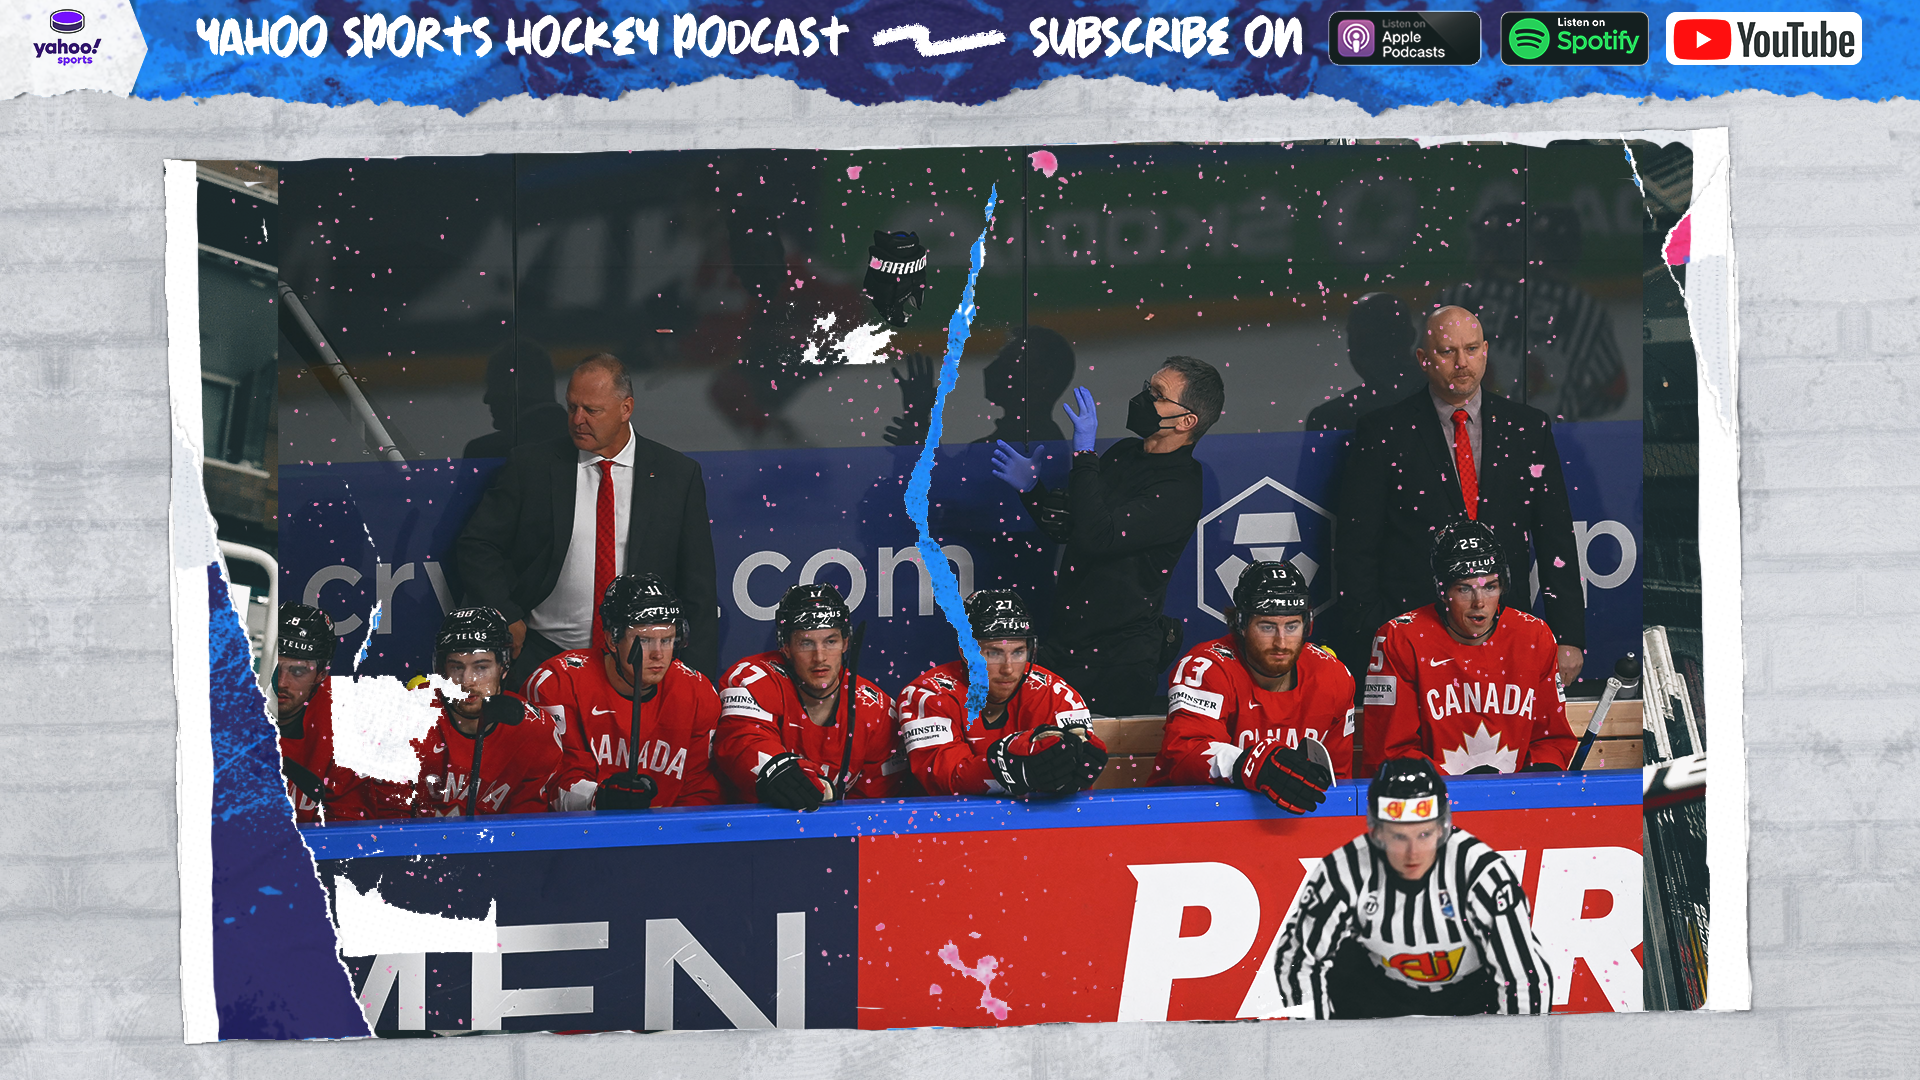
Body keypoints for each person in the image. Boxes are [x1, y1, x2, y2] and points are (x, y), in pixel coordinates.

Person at [1334, 305, 1585, 694]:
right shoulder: (1384, 432)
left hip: (1508, 632)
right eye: (1447, 352)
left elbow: (1556, 538)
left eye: (1471, 349)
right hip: (1415, 636)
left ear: (1485, 350)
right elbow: (1356, 546)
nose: (1462, 362)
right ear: (1423, 359)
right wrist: (1375, 632)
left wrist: (1568, 635)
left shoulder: (1528, 429)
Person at [455, 353, 719, 687]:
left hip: (638, 667)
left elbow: (698, 589)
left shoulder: (676, 476)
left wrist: (698, 680)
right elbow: (477, 545)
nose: (577, 420)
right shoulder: (532, 466)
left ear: (626, 409)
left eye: (591, 410)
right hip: (543, 657)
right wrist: (506, 616)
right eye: (571, 407)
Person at [990, 355, 1222, 715]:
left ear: (1186, 421)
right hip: (1065, 644)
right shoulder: (1124, 453)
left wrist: (1083, 452)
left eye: (1158, 394)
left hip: (1117, 664)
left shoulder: (1180, 489)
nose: (1144, 397)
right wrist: (1033, 490)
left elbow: (1100, 537)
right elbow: (1071, 527)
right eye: (1149, 386)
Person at [1272, 757, 1554, 1018]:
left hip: (1472, 997)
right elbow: (1297, 959)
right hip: (1382, 994)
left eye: (1424, 834)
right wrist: (1312, 1046)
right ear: (1377, 831)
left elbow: (1524, 975)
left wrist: (1517, 1060)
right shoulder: (1343, 871)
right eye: (1398, 836)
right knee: (1338, 959)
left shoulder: (1480, 872)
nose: (1413, 853)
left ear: (1442, 828)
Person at [1362, 521, 1574, 777]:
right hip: (1428, 803)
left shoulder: (1534, 635)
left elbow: (1552, 739)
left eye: (1490, 586)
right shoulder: (1399, 638)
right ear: (1442, 590)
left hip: (1517, 801)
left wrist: (1536, 777)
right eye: (1464, 588)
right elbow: (1389, 751)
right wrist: (1464, 789)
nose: (1479, 602)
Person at [1149, 562, 1353, 809]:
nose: (1281, 642)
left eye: (1292, 626)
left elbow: (1338, 783)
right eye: (1267, 627)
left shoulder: (1332, 674)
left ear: (1307, 625)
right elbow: (1186, 754)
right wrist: (1250, 762)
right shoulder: (1206, 667)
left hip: (1290, 822)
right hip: (1192, 817)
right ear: (1241, 625)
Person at [524, 575, 723, 812]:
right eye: (645, 641)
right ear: (611, 639)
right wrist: (602, 798)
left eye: (667, 640)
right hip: (580, 837)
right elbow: (550, 785)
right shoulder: (557, 683)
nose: (658, 654)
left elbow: (699, 790)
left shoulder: (697, 692)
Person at [712, 584, 905, 810]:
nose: (819, 657)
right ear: (785, 647)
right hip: (752, 831)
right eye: (806, 643)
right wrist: (777, 768)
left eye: (830, 642)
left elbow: (874, 811)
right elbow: (743, 742)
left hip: (837, 838)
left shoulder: (878, 711)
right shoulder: (752, 679)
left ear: (845, 643)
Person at [897, 590, 1106, 797]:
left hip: (1033, 823)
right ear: (965, 651)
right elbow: (945, 780)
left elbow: (1075, 778)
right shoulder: (927, 695)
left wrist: (1070, 774)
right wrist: (1011, 768)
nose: (1008, 668)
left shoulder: (1056, 694)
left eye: (1018, 652)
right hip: (946, 824)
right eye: (994, 653)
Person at [407, 607, 563, 817]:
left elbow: (524, 832)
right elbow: (382, 822)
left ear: (503, 666)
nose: (467, 681)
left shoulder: (534, 731)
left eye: (481, 667)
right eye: (456, 667)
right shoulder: (410, 717)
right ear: (442, 670)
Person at [274, 603, 378, 824]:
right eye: (274, 668)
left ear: (321, 675)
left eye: (298, 671)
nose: (281, 683)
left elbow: (347, 831)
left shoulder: (343, 719)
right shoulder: (225, 702)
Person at [1305, 292, 1424, 432]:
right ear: (1411, 336)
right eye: (1358, 337)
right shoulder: (1444, 399)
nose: (1360, 347)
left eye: (1375, 337)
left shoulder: (1331, 418)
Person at [461, 338, 568, 460]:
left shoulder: (485, 452)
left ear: (515, 386)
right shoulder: (588, 443)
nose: (486, 399)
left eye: (493, 385)